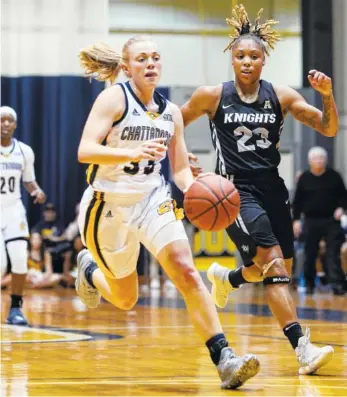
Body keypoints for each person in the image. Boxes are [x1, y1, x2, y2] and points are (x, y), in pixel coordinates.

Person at [74, 37, 260, 389]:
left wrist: (198, 185)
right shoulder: (114, 98)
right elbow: (85, 150)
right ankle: (89, 269)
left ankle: (224, 358)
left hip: (153, 200)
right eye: (142, 59)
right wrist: (130, 152)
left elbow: (178, 171)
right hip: (108, 205)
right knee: (126, 299)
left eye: (156, 58)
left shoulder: (171, 112)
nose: (151, 64)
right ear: (127, 67)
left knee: (188, 273)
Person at [180, 5, 336, 375]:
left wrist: (327, 96)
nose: (247, 61)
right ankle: (303, 348)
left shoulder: (280, 96)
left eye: (254, 56)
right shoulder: (211, 95)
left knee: (274, 267)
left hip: (272, 188)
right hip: (234, 192)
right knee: (275, 266)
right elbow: (173, 122)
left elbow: (328, 129)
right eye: (240, 56)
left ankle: (227, 278)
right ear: (231, 60)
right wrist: (183, 160)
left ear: (264, 60)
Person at [0, 106, 46, 325]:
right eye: (2, 120)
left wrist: (36, 190)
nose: (5, 124)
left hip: (13, 209)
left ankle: (16, 308)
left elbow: (28, 179)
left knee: (19, 259)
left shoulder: (24, 151)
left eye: (10, 120)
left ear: (16, 124)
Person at [292, 147, 347, 295]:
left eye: (321, 158)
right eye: (315, 158)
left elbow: (344, 197)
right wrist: (296, 220)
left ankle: (337, 284)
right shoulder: (304, 178)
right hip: (311, 220)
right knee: (310, 252)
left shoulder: (334, 176)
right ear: (310, 161)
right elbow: (297, 202)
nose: (319, 161)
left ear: (326, 160)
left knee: (332, 253)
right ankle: (309, 284)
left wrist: (341, 208)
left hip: (331, 220)